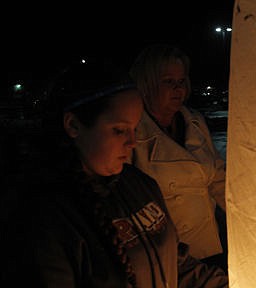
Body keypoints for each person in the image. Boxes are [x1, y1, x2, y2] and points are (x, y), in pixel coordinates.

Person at [3, 58, 228, 288]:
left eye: (135, 128)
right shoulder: (45, 220)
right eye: (119, 130)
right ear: (73, 126)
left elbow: (176, 264)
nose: (132, 142)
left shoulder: (140, 185)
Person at [129, 44, 228, 271]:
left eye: (181, 81)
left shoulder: (194, 122)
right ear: (147, 84)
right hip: (168, 255)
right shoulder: (132, 133)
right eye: (168, 82)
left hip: (209, 245)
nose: (178, 89)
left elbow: (217, 177)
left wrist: (245, 214)